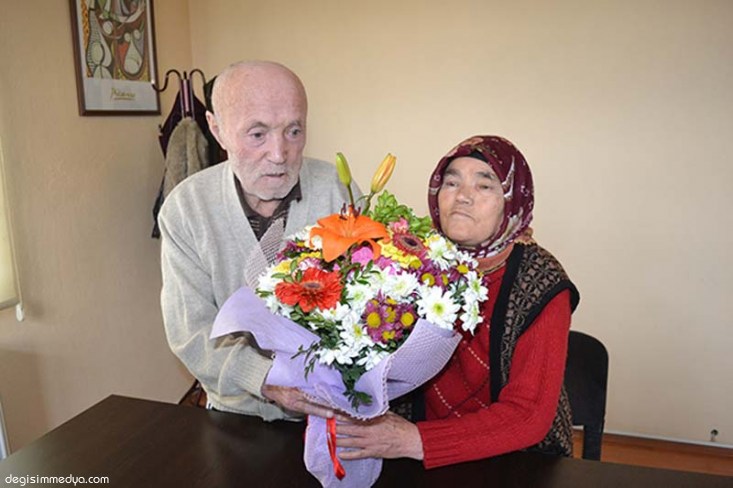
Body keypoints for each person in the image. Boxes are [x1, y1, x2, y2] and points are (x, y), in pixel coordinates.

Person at [336, 135, 580, 468]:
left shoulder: (540, 280)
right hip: (407, 447)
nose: (462, 196)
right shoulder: (412, 257)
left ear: (513, 200)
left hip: (514, 458)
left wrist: (416, 440)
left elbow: (528, 415)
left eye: (484, 186)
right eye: (451, 182)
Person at [159, 61, 355, 420]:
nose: (279, 154)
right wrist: (265, 379)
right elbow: (191, 332)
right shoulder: (186, 208)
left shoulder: (337, 191)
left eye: (293, 131)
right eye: (257, 134)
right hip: (236, 415)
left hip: (329, 412)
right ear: (217, 130)